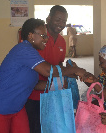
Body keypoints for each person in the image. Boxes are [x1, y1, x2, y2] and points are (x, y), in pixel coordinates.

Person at [0, 18, 86, 133]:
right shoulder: (23, 49)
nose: (46, 39)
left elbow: (33, 84)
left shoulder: (33, 53)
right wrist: (76, 70)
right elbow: (48, 71)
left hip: (17, 109)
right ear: (31, 36)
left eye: (46, 36)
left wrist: (57, 84)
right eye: (43, 35)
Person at [25, 5, 68, 133]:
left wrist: (66, 74)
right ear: (48, 19)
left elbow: (59, 64)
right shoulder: (38, 38)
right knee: (35, 128)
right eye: (58, 20)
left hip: (53, 93)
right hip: (34, 94)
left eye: (64, 21)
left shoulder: (62, 41)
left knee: (50, 127)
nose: (61, 24)